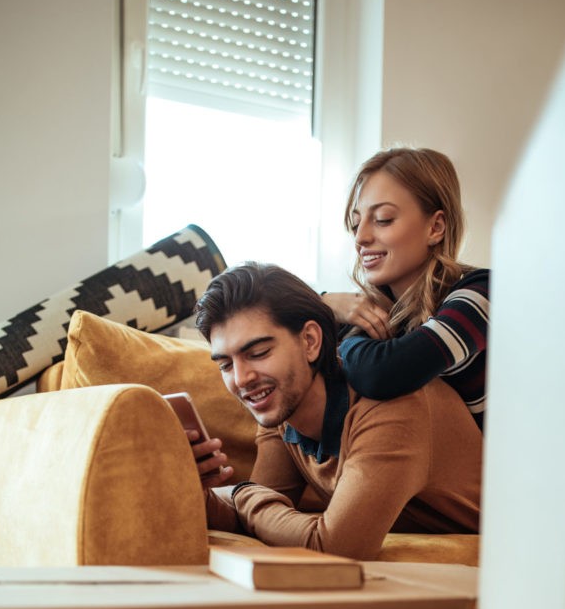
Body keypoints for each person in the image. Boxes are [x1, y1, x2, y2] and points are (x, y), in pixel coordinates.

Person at [191, 261, 482, 559]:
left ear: (310, 341)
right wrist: (195, 492)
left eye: (258, 353)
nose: (241, 379)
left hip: (503, 562)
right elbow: (259, 513)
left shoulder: (392, 408)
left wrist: (241, 494)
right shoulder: (280, 409)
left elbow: (334, 546)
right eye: (226, 364)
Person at [323, 146, 489, 431]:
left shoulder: (483, 293)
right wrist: (324, 303)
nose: (360, 238)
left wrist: (343, 346)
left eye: (383, 219)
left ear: (436, 227)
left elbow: (382, 372)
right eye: (355, 223)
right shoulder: (376, 314)